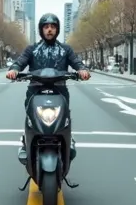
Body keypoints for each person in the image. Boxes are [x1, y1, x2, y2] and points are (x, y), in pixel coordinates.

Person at [5, 13, 90, 164]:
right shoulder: (32, 49)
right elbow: (20, 62)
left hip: (59, 91)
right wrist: (14, 70)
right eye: (46, 27)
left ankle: (68, 139)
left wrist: (82, 70)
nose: (49, 29)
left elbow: (77, 62)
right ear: (41, 29)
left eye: (53, 27)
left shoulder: (66, 49)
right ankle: (27, 141)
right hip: (35, 90)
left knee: (65, 119)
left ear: (57, 30)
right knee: (31, 118)